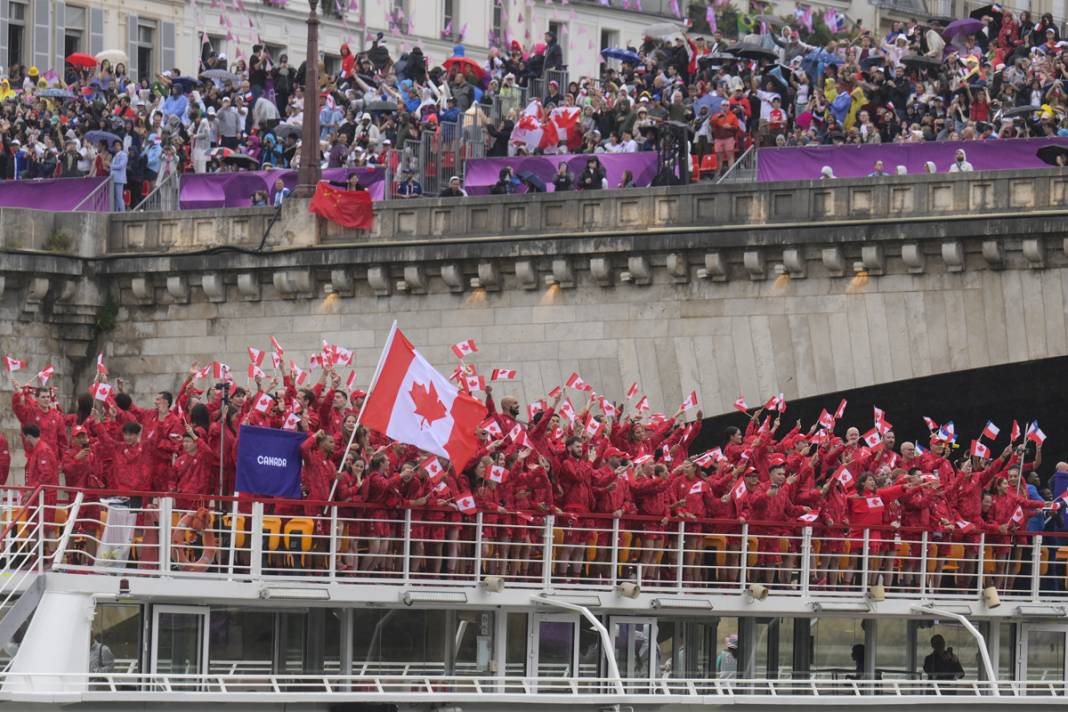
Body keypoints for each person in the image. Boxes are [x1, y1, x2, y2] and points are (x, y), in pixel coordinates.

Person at [109, 139, 128, 212]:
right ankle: (116, 211)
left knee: (119, 197)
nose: (116, 147)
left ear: (121, 146)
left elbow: (121, 166)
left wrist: (110, 165)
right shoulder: (115, 156)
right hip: (113, 178)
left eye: (118, 145)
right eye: (115, 145)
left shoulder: (123, 154)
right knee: (115, 197)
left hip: (119, 179)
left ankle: (123, 212)